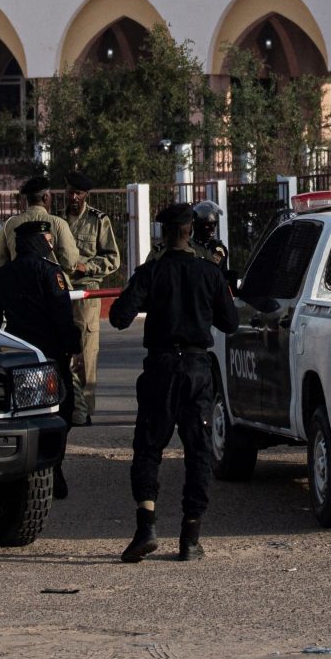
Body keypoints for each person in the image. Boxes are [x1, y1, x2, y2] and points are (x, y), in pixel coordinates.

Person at [108, 202, 235, 563]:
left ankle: (146, 526)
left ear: (163, 234)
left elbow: (118, 317)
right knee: (198, 452)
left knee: (148, 449)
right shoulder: (209, 272)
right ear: (191, 232)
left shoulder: (151, 272)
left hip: (161, 368)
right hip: (196, 370)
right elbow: (230, 324)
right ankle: (190, 536)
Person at [0, 220, 81, 499]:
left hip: (19, 355)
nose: (51, 245)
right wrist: (73, 347)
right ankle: (54, 468)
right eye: (48, 241)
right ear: (39, 242)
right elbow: (62, 317)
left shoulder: (0, 276)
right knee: (61, 411)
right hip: (49, 355)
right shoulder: (51, 273)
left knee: (22, 414)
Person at [62, 175, 122, 421]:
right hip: (61, 291)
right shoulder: (57, 220)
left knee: (86, 353)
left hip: (86, 293)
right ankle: (67, 406)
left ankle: (84, 410)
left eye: (79, 193)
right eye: (70, 192)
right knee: (62, 353)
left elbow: (112, 258)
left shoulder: (98, 220)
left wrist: (88, 267)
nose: (74, 198)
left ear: (87, 195)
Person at [0, 175, 83, 273]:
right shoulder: (59, 224)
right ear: (45, 197)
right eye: (50, 195)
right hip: (52, 285)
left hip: (20, 285)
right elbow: (69, 263)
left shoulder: (9, 224)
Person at [190, 199, 231, 270]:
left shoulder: (218, 248)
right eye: (207, 225)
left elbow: (217, 268)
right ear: (197, 226)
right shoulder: (188, 247)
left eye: (214, 224)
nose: (212, 229)